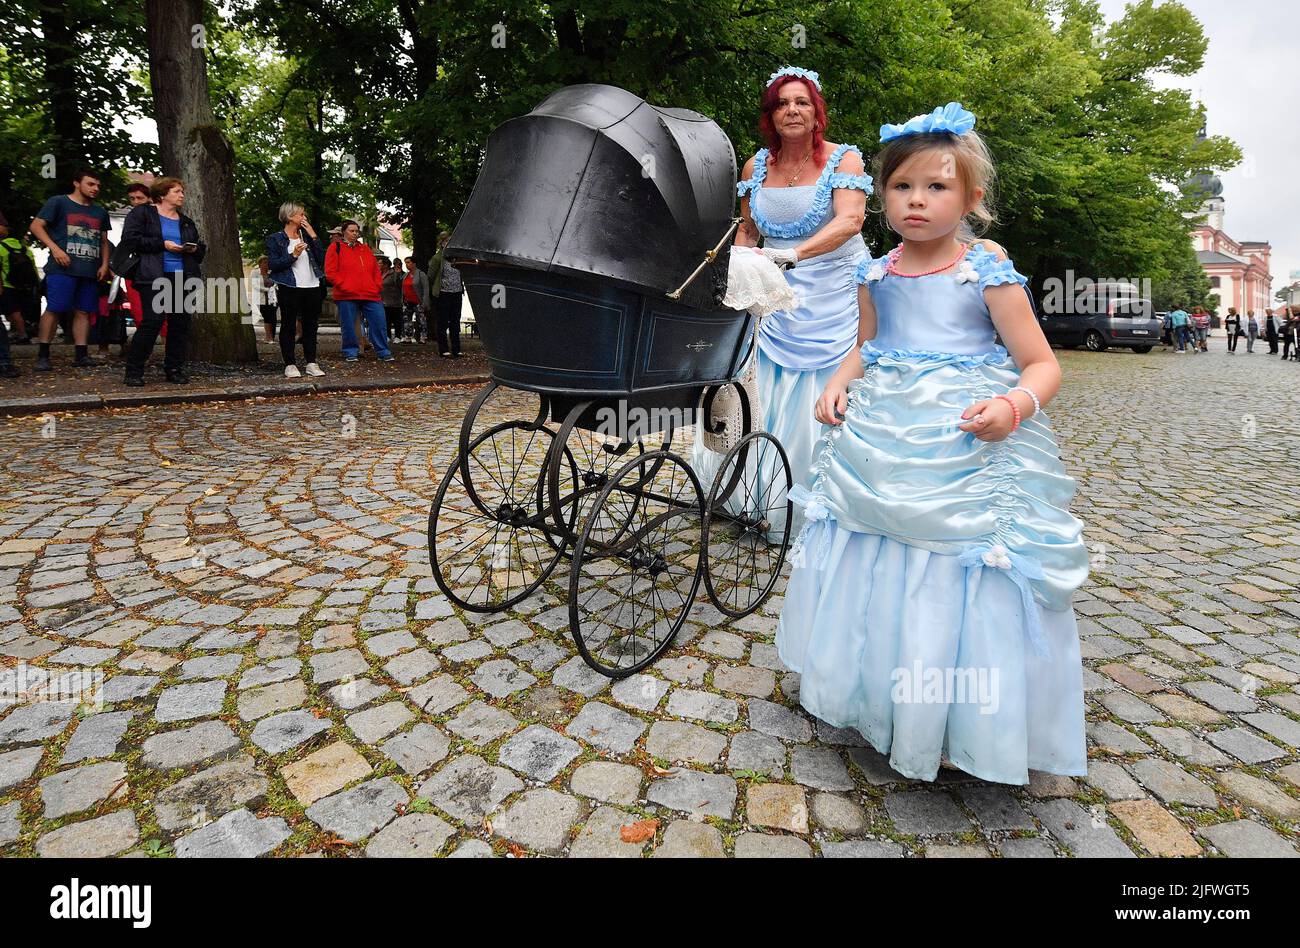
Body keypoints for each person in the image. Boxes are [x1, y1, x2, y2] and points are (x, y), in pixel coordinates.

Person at [777, 102, 1087, 786]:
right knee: (876, 552)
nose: (917, 201)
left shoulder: (987, 274)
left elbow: (1043, 364)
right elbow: (869, 346)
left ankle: (961, 720)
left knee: (957, 564)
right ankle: (876, 695)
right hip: (883, 442)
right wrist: (837, 382)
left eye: (937, 187)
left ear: (971, 198)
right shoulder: (876, 274)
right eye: (901, 187)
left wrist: (1013, 404)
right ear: (881, 194)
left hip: (964, 446)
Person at [691, 66, 871, 538]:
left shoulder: (845, 160)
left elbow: (851, 221)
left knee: (819, 388)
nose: (792, 110)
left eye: (801, 102)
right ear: (771, 116)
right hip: (773, 294)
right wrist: (740, 263)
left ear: (817, 114)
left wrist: (793, 254)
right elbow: (749, 230)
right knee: (757, 385)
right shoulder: (756, 167)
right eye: (781, 104)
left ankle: (819, 503)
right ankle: (749, 492)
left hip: (834, 291)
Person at [119, 176, 204, 386]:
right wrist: (162, 244)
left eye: (182, 191)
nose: (182, 195)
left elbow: (200, 250)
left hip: (181, 276)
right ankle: (134, 370)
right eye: (177, 191)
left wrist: (193, 248)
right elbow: (130, 240)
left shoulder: (185, 221)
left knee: (179, 323)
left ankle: (174, 368)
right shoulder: (143, 213)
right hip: (153, 274)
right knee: (153, 321)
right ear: (162, 194)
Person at [28, 169, 111, 370]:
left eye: (98, 185)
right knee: (55, 308)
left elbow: (103, 241)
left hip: (89, 269)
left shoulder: (100, 212)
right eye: (91, 184)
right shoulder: (58, 202)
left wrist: (104, 264)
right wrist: (55, 248)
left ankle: (81, 354)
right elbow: (36, 226)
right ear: (76, 183)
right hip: (62, 268)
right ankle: (43, 355)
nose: (95, 189)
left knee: (84, 311)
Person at [266, 203, 326, 378]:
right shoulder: (275, 239)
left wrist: (314, 236)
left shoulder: (306, 236)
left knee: (311, 326)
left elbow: (321, 258)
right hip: (290, 286)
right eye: (301, 214)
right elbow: (274, 264)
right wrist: (293, 255)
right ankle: (290, 364)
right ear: (290, 216)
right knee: (288, 324)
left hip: (312, 285)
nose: (304, 218)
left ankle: (311, 362)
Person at [325, 220, 394, 364]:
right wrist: (344, 285)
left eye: (356, 231)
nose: (355, 234)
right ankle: (351, 351)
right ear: (343, 232)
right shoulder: (335, 248)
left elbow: (375, 270)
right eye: (352, 231)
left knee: (379, 322)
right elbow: (330, 272)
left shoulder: (365, 249)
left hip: (370, 293)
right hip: (347, 294)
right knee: (349, 325)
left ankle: (383, 351)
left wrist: (377, 286)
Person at [0, 211, 38, 349]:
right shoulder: (25, 249)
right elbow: (33, 267)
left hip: (7, 284)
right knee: (19, 311)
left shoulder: (0, 248)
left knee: (12, 311)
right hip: (25, 286)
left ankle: (21, 334)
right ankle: (22, 332)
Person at [430, 232, 463, 357]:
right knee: (442, 322)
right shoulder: (438, 258)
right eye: (448, 242)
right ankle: (443, 349)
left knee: (455, 322)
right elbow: (431, 276)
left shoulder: (457, 258)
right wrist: (437, 289)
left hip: (457, 293)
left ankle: (456, 349)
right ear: (442, 243)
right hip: (443, 294)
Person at [247, 255, 278, 341]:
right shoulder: (255, 272)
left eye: (267, 262)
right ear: (260, 264)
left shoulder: (271, 272)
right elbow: (255, 285)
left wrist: (273, 287)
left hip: (272, 298)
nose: (266, 264)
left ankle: (271, 336)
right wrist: (267, 289)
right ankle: (269, 337)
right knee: (267, 317)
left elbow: (276, 282)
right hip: (261, 299)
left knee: (272, 317)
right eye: (264, 262)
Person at [401, 257, 430, 345]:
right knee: (407, 319)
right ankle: (408, 337)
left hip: (418, 301)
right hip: (407, 301)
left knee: (421, 320)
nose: (407, 264)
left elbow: (426, 289)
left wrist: (425, 301)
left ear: (414, 263)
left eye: (408, 262)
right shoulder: (405, 275)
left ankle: (423, 337)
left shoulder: (421, 274)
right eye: (405, 263)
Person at [380, 256, 404, 342]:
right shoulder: (380, 273)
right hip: (383, 300)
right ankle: (387, 335)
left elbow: (399, 285)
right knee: (386, 320)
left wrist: (398, 275)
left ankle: (398, 336)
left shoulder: (393, 273)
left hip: (394, 301)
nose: (378, 265)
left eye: (380, 263)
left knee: (397, 320)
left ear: (385, 265)